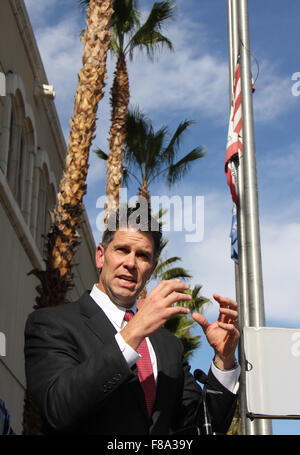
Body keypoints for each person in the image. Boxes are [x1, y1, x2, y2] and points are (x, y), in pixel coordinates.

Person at [24, 205, 240, 435]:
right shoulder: (50, 324)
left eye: (142, 255)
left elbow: (201, 426)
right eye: (121, 250)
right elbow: (58, 407)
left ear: (152, 268)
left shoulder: (169, 346)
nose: (130, 263)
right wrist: (133, 332)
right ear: (100, 256)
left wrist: (224, 361)